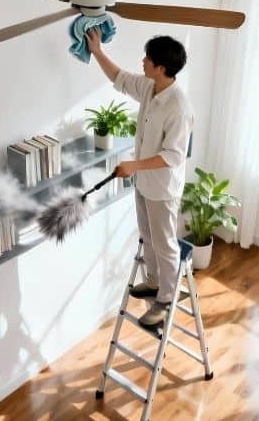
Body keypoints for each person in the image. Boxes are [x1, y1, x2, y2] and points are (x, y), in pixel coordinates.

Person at [85, 27, 193, 328]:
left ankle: (167, 298)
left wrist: (134, 166)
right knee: (148, 236)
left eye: (148, 59)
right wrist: (96, 51)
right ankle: (155, 282)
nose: (142, 61)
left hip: (162, 188)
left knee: (165, 244)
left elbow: (173, 156)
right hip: (144, 184)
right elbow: (119, 78)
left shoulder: (179, 109)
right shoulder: (149, 86)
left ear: (161, 67)